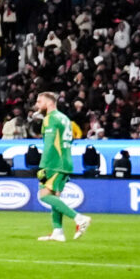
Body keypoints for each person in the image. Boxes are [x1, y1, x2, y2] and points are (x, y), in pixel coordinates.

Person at [34, 90, 92, 242]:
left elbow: (49, 143)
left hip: (54, 162)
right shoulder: (65, 118)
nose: (37, 105)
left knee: (44, 196)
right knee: (55, 197)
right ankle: (58, 232)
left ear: (49, 102)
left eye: (39, 102)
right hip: (66, 160)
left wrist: (43, 166)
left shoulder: (50, 119)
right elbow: (70, 139)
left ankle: (79, 218)